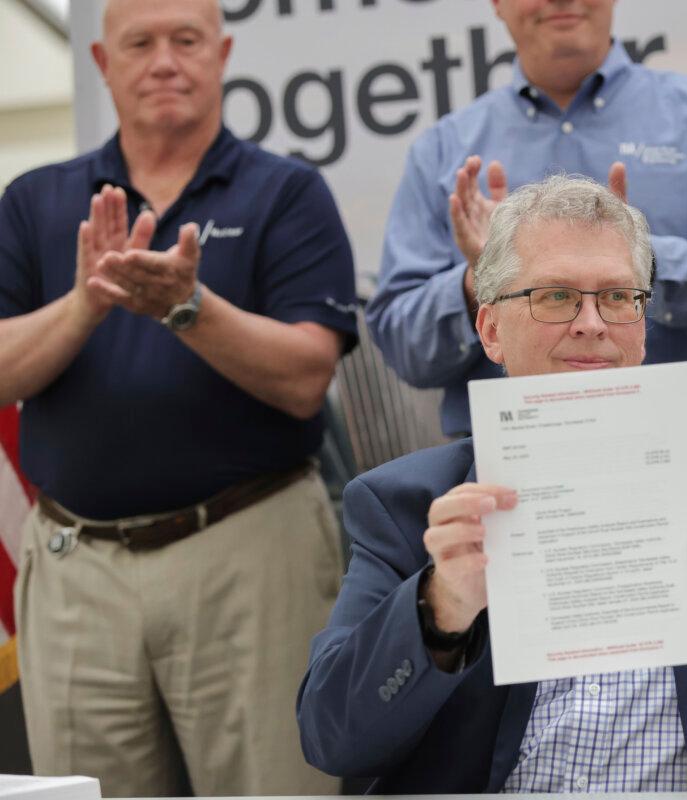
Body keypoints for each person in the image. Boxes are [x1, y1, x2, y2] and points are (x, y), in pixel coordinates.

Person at [298, 176, 687, 792]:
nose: (593, 323)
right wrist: (438, 610)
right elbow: (333, 738)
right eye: (555, 297)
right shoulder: (410, 509)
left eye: (619, 297)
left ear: (643, 324)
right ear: (490, 331)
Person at [0, 0, 357, 794]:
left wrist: (185, 308)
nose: (165, 60)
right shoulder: (34, 202)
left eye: (186, 39)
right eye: (140, 42)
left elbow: (305, 380)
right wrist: (88, 300)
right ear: (102, 64)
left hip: (251, 554)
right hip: (77, 569)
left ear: (222, 52)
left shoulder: (287, 193)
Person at [367, 0, 687, 438]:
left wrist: (628, 258)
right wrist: (488, 273)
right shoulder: (442, 150)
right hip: (511, 457)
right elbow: (403, 348)